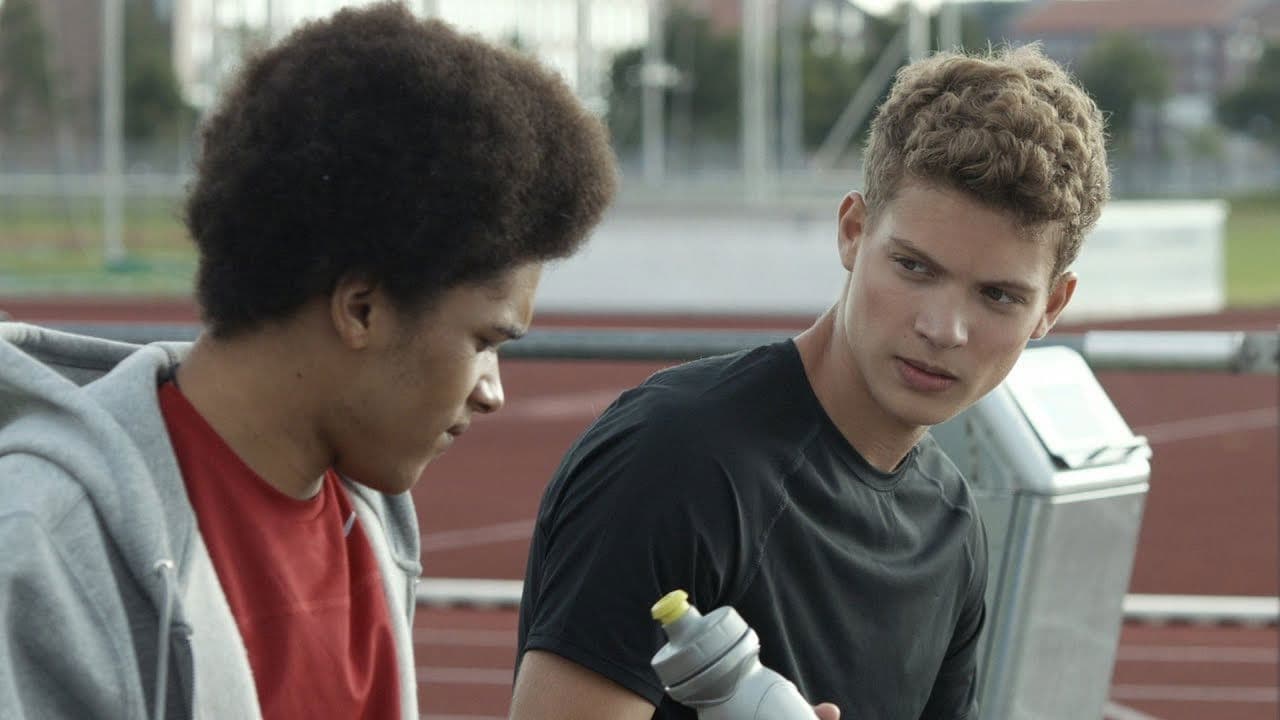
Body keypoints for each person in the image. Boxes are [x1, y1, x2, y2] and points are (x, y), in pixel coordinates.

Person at [0, 4, 615, 719]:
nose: (492, 393)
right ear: (361, 309)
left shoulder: (370, 516)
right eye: (483, 342)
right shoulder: (44, 546)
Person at [511, 44, 1109, 720]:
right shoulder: (674, 458)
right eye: (914, 267)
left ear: (1051, 308)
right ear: (853, 232)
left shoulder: (952, 527)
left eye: (998, 296)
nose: (944, 329)